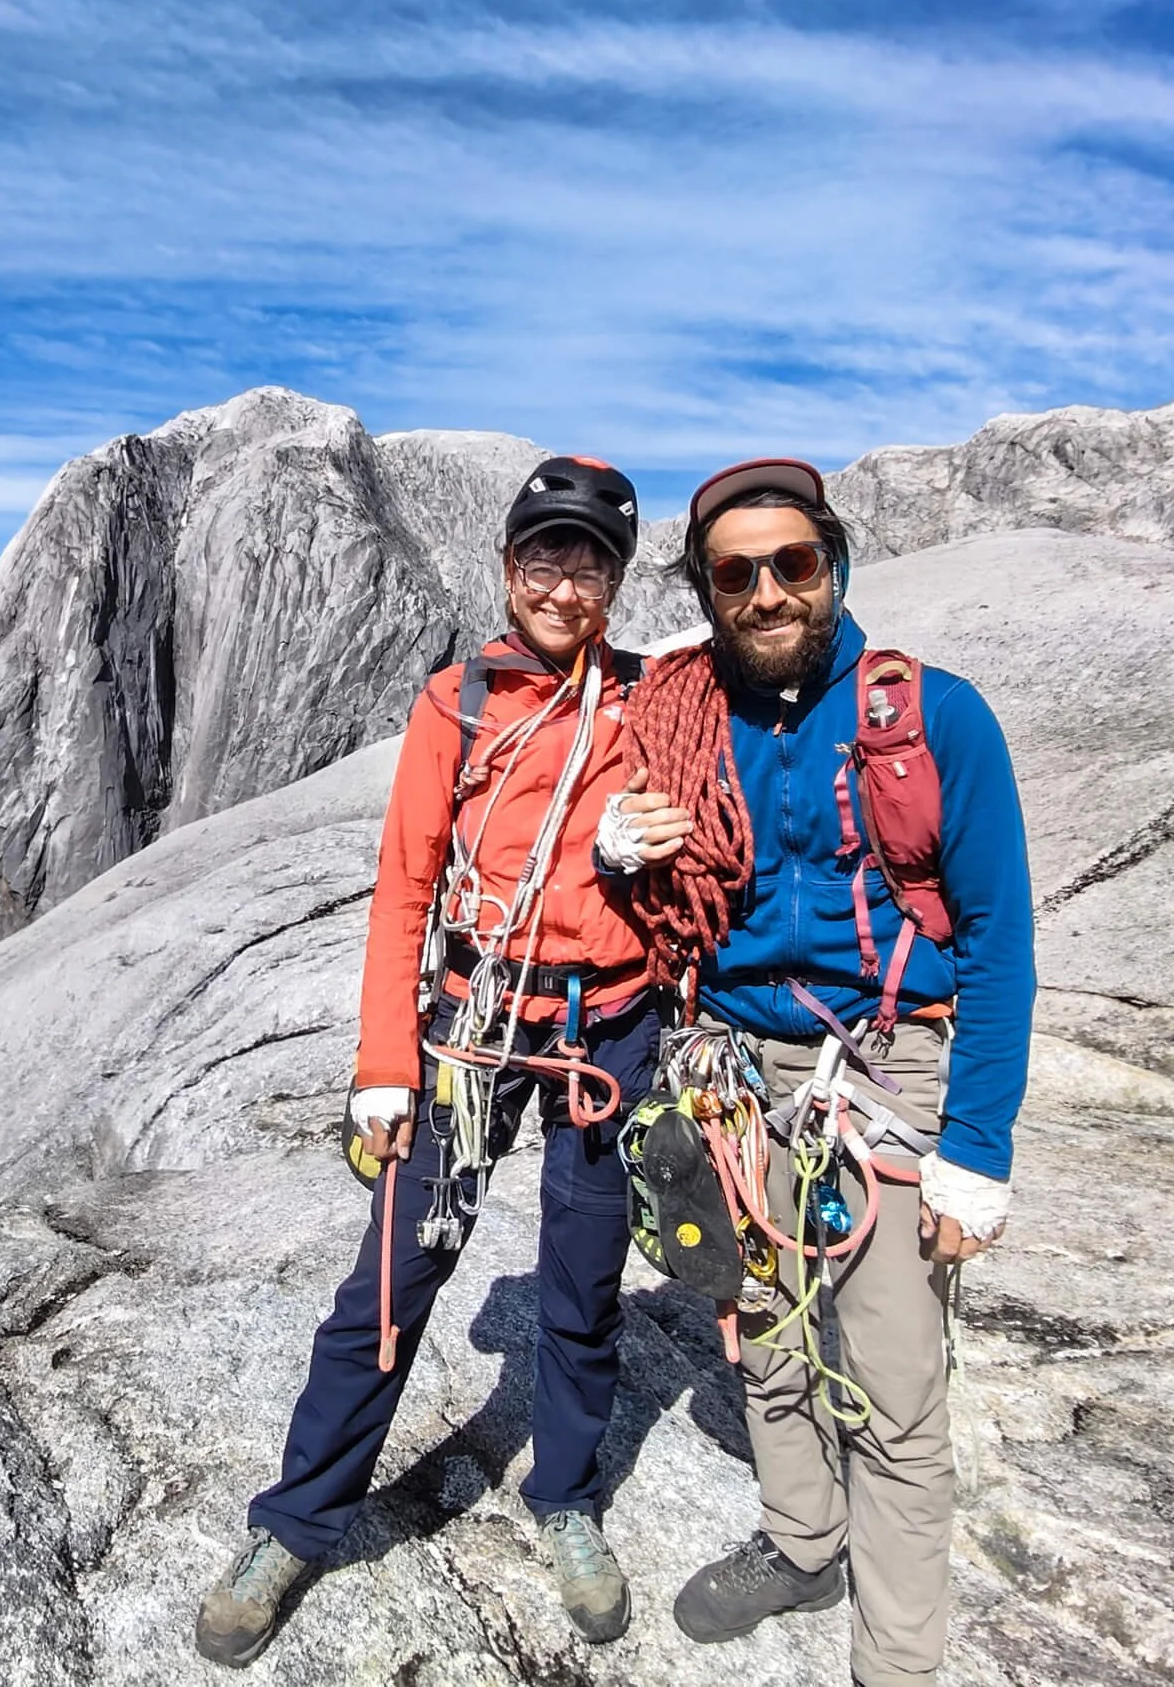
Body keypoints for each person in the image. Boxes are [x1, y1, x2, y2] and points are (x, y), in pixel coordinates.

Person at [195, 457, 684, 1667]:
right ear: (509, 566)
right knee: (391, 1285)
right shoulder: (456, 704)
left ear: (616, 582)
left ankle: (563, 1499)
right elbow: (406, 889)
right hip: (476, 1023)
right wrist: (382, 1062)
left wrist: (650, 860)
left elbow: (720, 843)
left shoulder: (661, 704)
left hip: (606, 1031)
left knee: (581, 1289)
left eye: (588, 564)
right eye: (543, 558)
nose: (563, 585)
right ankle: (300, 1518)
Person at [614, 457, 1034, 1687]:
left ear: (834, 568)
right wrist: (610, 856)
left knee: (895, 1382)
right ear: (705, 589)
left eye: (790, 565)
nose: (765, 594)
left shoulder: (935, 717)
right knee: (764, 1334)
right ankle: (803, 1539)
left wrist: (976, 1152)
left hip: (884, 1061)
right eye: (735, 574)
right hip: (734, 1069)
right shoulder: (673, 715)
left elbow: (1000, 941)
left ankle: (894, 1663)